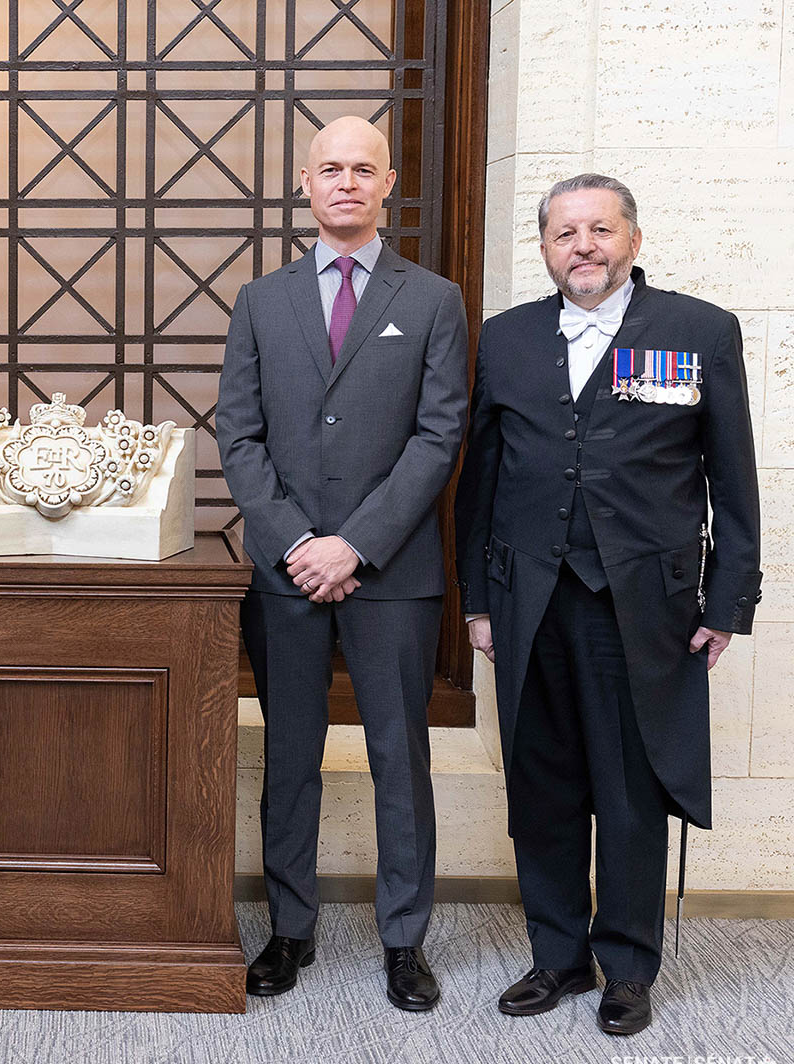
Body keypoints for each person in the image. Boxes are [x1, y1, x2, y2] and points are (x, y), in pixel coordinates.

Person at [454, 174, 761, 1034]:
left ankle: (627, 963)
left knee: (631, 791)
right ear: (544, 247)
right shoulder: (506, 340)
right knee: (542, 782)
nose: (582, 246)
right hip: (528, 603)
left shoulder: (698, 332)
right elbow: (478, 484)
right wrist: (476, 599)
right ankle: (557, 954)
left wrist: (728, 601)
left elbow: (733, 482)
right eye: (564, 233)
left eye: (599, 229)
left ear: (631, 237)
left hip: (646, 607)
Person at [217, 116, 469, 1009]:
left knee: (400, 756)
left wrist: (353, 544)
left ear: (389, 181)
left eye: (364, 168)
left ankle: (405, 941)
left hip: (390, 574)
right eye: (332, 168)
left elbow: (439, 439)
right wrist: (298, 542)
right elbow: (237, 437)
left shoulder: (434, 299)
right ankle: (290, 930)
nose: (348, 182)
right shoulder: (261, 299)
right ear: (305, 182)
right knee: (289, 753)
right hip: (286, 572)